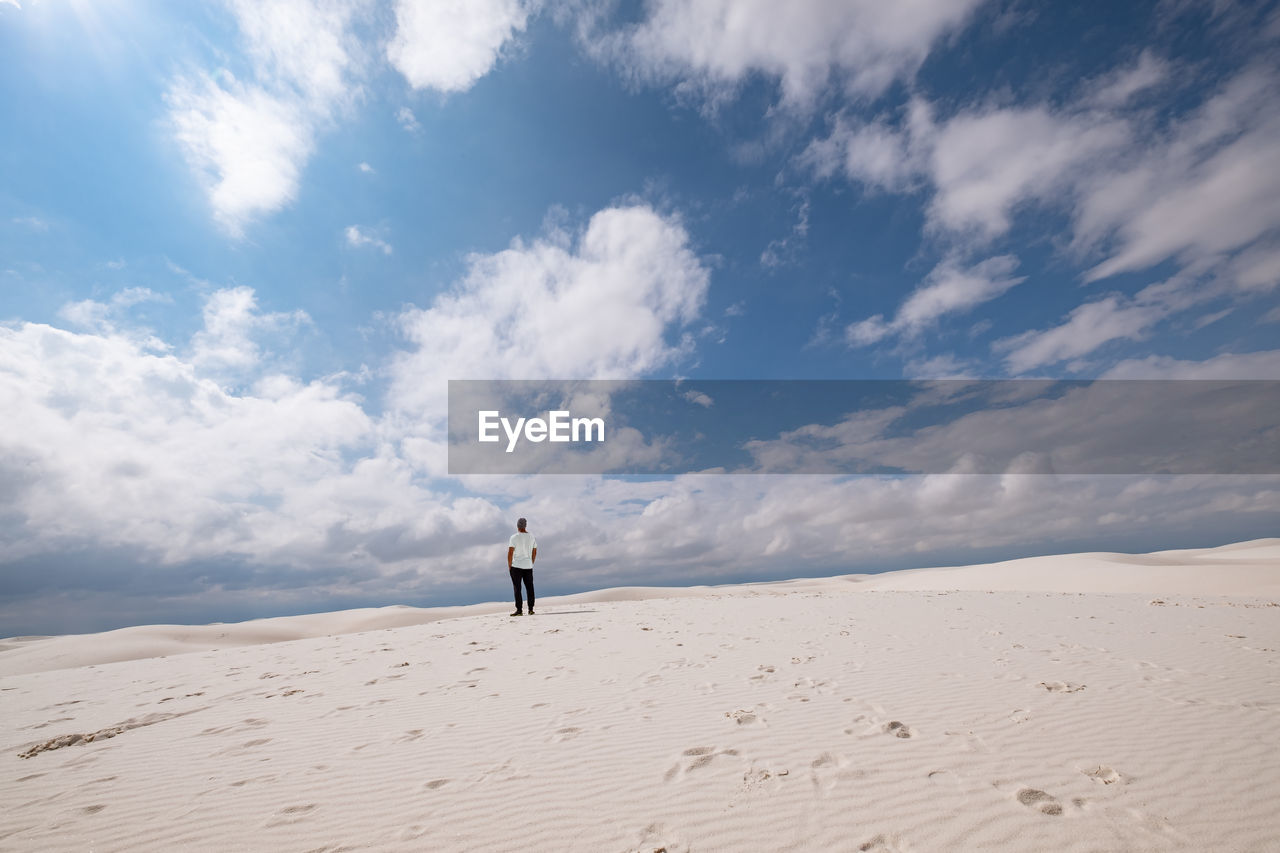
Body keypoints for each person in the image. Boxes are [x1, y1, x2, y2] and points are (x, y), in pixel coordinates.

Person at [507, 517, 537, 616]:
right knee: (530, 587)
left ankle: (519, 610)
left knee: (517, 588)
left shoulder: (514, 537)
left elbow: (510, 552)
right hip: (528, 566)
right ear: (525, 525)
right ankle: (531, 609)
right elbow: (534, 550)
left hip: (516, 566)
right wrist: (531, 562)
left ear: (517, 526)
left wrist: (509, 566)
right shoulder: (531, 536)